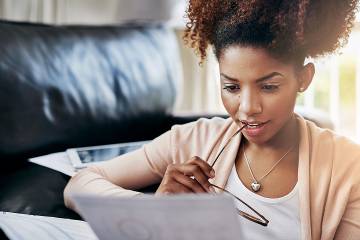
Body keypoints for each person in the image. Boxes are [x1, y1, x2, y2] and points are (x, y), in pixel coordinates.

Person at [64, 0, 360, 239]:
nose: (247, 108)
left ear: (304, 79)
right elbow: (80, 184)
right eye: (231, 87)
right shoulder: (191, 140)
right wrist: (153, 208)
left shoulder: (348, 168)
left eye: (269, 86)